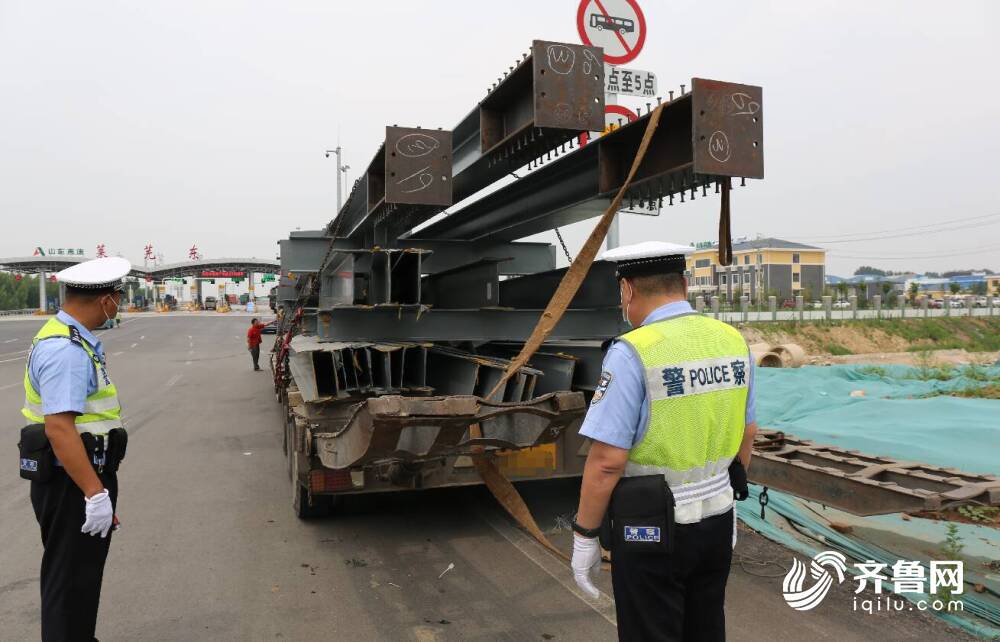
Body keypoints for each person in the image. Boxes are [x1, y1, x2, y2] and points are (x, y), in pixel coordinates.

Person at [570, 241, 758, 642]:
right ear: (684, 285)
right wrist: (720, 495)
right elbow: (748, 432)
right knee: (705, 628)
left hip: (651, 526)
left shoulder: (633, 351)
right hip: (718, 520)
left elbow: (606, 460)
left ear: (627, 290)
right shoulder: (731, 341)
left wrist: (585, 534)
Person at [21, 256, 131, 642]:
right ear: (106, 300)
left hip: (78, 477)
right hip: (74, 482)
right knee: (70, 580)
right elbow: (60, 429)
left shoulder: (71, 339)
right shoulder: (65, 350)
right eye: (119, 297)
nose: (120, 304)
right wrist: (94, 493)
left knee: (79, 577)